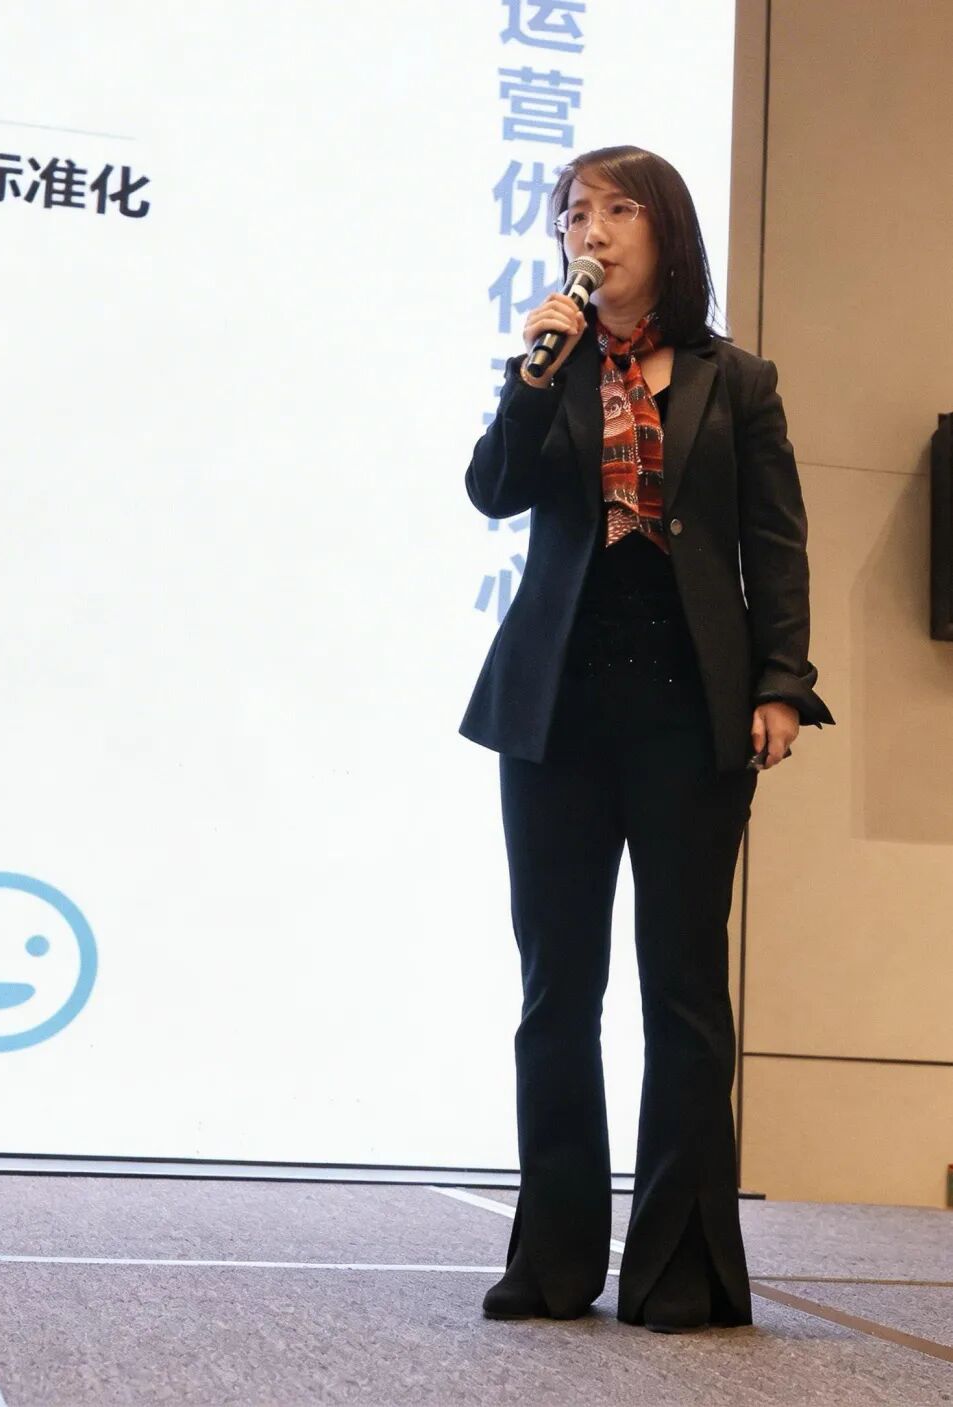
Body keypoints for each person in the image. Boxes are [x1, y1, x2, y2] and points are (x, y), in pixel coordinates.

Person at [458, 145, 835, 1333]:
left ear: (664, 234)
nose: (592, 229)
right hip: (556, 717)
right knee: (554, 991)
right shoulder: (550, 365)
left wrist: (781, 682)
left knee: (681, 992)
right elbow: (492, 490)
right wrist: (531, 377)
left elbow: (773, 544)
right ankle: (552, 1261)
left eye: (618, 208)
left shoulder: (738, 381)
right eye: (575, 211)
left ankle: (678, 1268)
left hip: (689, 714)